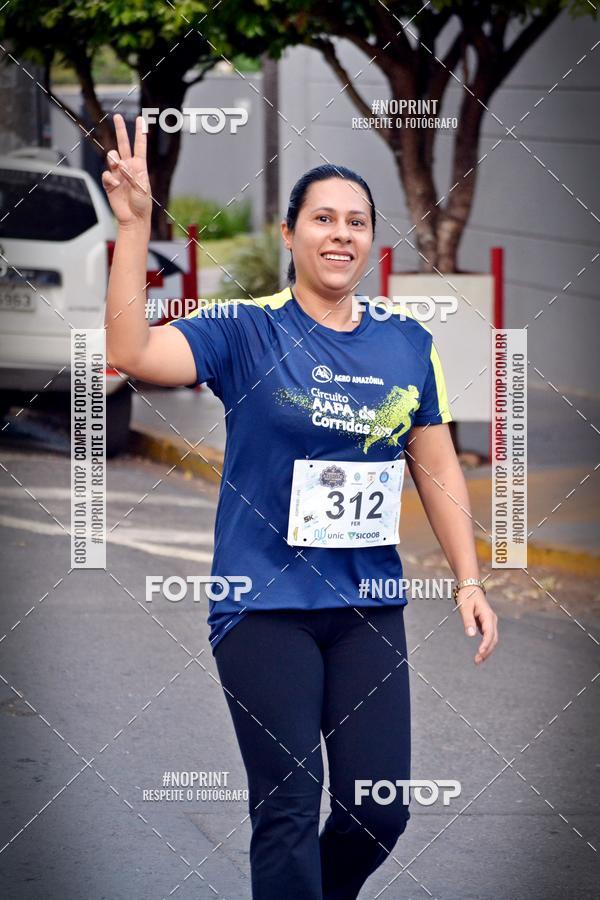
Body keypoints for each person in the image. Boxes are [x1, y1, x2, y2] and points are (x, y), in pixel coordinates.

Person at [103, 113, 499, 900]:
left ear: (371, 240)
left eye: (357, 222)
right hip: (262, 604)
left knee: (376, 812)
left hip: (366, 604)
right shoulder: (244, 330)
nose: (340, 233)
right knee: (287, 805)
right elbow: (130, 351)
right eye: (323, 219)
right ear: (289, 234)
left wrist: (469, 577)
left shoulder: (407, 345)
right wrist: (135, 227)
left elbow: (435, 467)